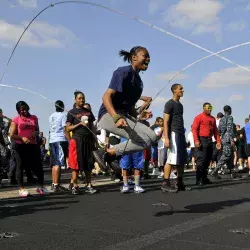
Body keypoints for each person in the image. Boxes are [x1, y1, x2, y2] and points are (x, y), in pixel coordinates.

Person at [98, 46, 157, 161]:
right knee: (144, 140)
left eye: (149, 57)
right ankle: (108, 152)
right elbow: (106, 97)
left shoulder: (139, 83)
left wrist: (139, 117)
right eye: (145, 56)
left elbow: (130, 108)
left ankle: (111, 154)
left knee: (152, 137)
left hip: (124, 115)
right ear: (134, 57)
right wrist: (116, 117)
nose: (148, 59)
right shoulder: (123, 71)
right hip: (108, 115)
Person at [9, 101, 46, 197]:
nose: (24, 111)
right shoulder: (16, 120)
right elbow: (12, 135)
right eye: (22, 110)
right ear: (18, 111)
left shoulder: (34, 118)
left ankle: (40, 186)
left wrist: (36, 133)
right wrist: (22, 138)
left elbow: (37, 129)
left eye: (25, 109)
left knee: (38, 166)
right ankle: (21, 189)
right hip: (20, 146)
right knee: (20, 166)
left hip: (33, 144)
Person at [66, 91, 97, 195]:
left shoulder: (88, 112)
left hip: (88, 140)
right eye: (79, 98)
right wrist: (79, 124)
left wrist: (95, 138)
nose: (81, 100)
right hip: (77, 140)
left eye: (83, 98)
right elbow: (68, 128)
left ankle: (88, 185)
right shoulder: (71, 112)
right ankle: (75, 186)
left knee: (88, 164)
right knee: (76, 165)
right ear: (75, 99)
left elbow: (92, 126)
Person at [161, 84, 186, 193]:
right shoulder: (169, 104)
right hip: (173, 133)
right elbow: (165, 122)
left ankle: (179, 182)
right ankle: (165, 183)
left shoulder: (180, 105)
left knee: (181, 160)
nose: (182, 90)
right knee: (171, 159)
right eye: (180, 89)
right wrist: (166, 138)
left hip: (181, 133)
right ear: (174, 91)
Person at [192, 103, 221, 186]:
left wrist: (218, 141)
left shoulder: (212, 119)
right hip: (201, 140)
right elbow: (194, 129)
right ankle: (199, 179)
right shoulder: (199, 117)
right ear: (203, 108)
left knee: (208, 160)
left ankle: (204, 178)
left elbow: (215, 131)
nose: (209, 109)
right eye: (207, 108)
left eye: (210, 108)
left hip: (209, 140)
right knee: (201, 160)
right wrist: (196, 140)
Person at [49, 100, 70, 192]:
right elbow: (65, 129)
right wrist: (70, 140)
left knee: (54, 163)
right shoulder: (63, 115)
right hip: (60, 140)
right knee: (58, 163)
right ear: (62, 106)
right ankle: (56, 185)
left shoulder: (51, 116)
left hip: (52, 140)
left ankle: (54, 184)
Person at [211, 106, 235, 178]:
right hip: (228, 139)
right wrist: (232, 139)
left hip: (224, 139)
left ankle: (232, 172)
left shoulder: (222, 119)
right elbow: (230, 129)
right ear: (229, 110)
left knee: (230, 156)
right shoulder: (229, 117)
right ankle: (215, 171)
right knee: (226, 156)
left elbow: (219, 131)